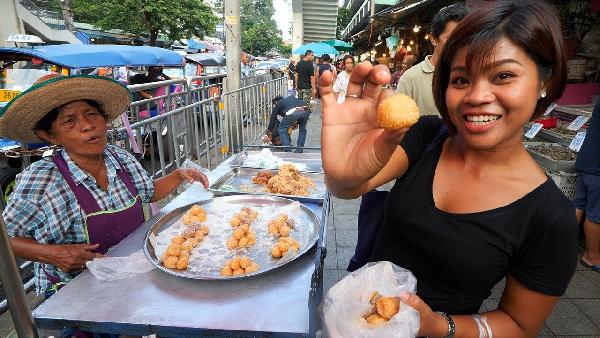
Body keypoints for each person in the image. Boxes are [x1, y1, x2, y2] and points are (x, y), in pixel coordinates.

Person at [319, 1, 577, 336]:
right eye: (461, 79)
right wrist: (343, 173)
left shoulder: (551, 217)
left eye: (503, 75)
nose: (476, 95)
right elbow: (350, 186)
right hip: (357, 323)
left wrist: (437, 324)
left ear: (546, 81)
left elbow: (519, 325)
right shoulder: (428, 134)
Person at [1, 74, 209, 300]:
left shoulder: (120, 159)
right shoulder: (42, 179)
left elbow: (149, 192)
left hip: (133, 276)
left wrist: (179, 175)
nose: (88, 126)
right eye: (69, 121)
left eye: (92, 114)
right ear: (51, 135)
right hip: (76, 292)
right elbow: (5, 238)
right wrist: (53, 254)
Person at [396, 4, 469, 116]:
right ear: (434, 39)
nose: (460, 45)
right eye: (452, 39)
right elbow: (398, 124)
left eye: (465, 39)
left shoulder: (474, 75)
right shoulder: (410, 79)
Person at [575, 99, 600, 272]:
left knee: (578, 205)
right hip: (597, 168)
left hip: (586, 160)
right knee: (596, 215)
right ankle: (592, 256)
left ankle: (560, 246)